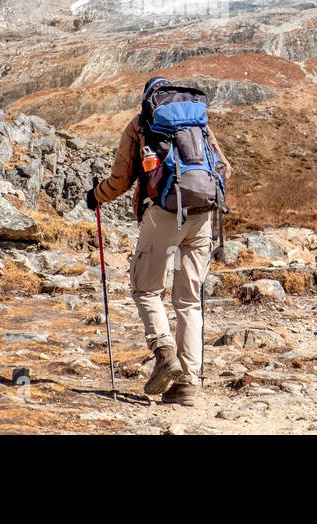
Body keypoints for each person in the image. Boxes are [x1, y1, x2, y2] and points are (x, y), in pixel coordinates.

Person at [86, 76, 230, 406]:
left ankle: (164, 351)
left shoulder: (141, 123)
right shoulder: (198, 121)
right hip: (202, 215)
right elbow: (224, 167)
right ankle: (188, 386)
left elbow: (121, 180)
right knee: (189, 301)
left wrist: (96, 195)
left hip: (163, 215)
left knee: (146, 289)